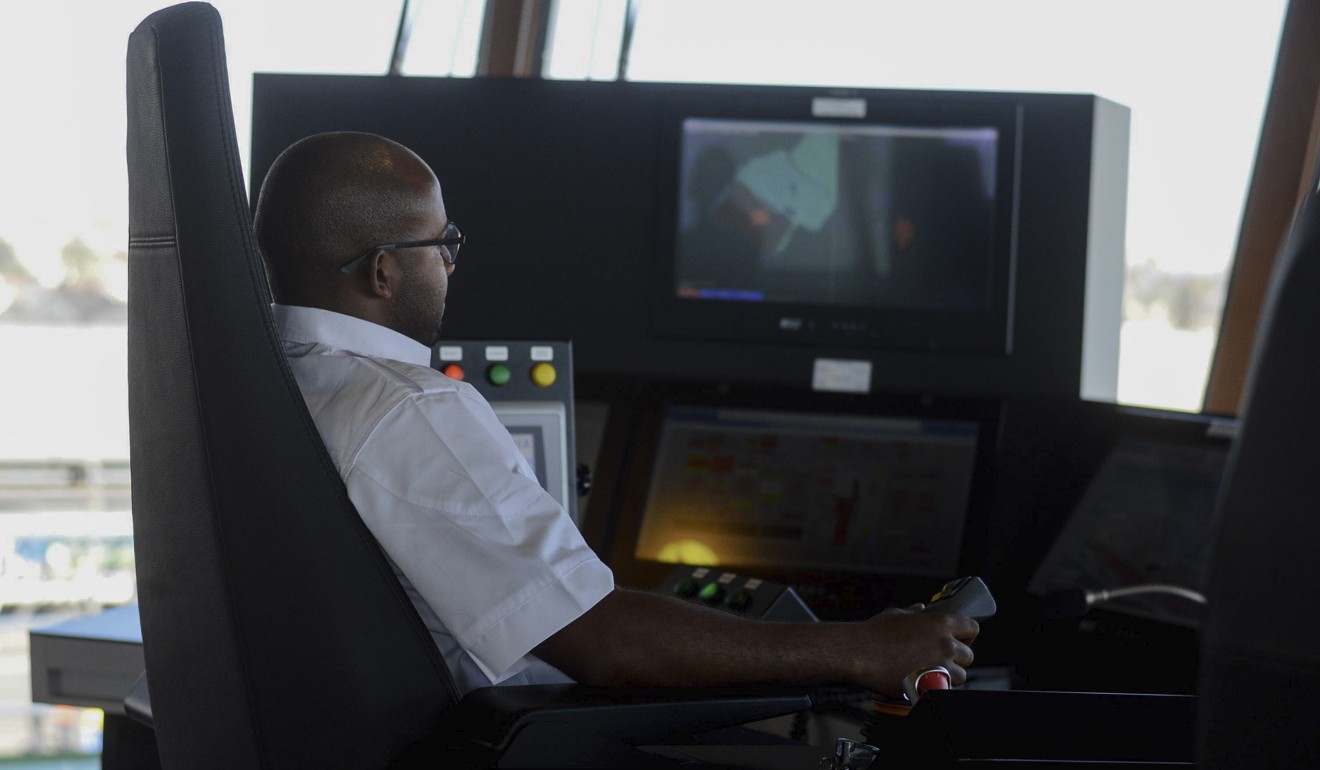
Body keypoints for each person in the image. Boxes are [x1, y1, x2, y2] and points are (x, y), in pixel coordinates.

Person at [253, 130, 979, 700]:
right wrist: (863, 650)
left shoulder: (264, 388)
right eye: (442, 244)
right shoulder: (410, 408)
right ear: (382, 271)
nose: (450, 262)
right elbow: (601, 643)